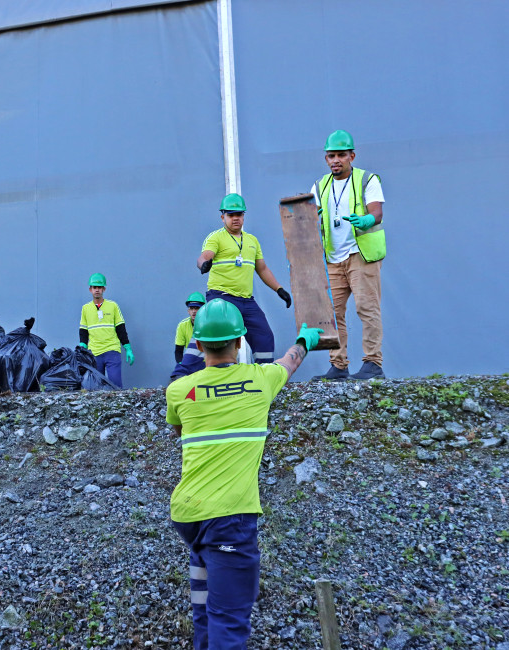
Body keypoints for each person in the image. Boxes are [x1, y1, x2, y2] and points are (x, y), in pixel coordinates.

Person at [165, 299, 322, 650]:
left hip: (190, 517)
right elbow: (288, 363)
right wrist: (304, 342)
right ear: (240, 343)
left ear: (199, 343)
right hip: (230, 519)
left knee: (206, 610)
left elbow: (179, 430)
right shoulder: (260, 381)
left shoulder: (179, 391)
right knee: (230, 619)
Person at [310, 129, 386, 380]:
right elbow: (310, 217)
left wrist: (366, 219)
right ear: (326, 158)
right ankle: (338, 364)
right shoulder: (320, 186)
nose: (335, 160)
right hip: (333, 258)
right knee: (332, 314)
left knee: (367, 308)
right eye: (331, 155)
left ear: (352, 156)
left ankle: (373, 363)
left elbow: (377, 212)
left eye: (341, 155)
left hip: (360, 255)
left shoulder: (367, 180)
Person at [196, 193, 291, 364]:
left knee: (264, 335)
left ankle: (264, 374)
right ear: (222, 217)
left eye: (238, 214)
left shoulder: (252, 240)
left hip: (246, 301)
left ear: (243, 216)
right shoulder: (216, 237)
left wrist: (280, 289)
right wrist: (204, 264)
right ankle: (194, 373)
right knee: (220, 337)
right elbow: (204, 256)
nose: (235, 218)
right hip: (221, 297)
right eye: (230, 215)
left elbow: (262, 269)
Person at [78, 273, 134, 388]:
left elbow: (120, 328)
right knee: (97, 387)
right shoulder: (85, 308)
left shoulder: (113, 306)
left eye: (99, 287)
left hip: (112, 350)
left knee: (116, 386)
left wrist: (127, 347)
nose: (97, 290)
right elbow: (83, 330)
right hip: (94, 352)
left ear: (104, 289)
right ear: (90, 289)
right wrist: (82, 346)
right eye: (94, 287)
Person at [175, 292, 206, 364]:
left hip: (207, 363)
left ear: (203, 310)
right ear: (188, 311)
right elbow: (178, 351)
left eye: (197, 308)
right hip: (190, 363)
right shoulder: (182, 325)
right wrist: (181, 365)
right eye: (191, 308)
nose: (194, 311)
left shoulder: (210, 325)